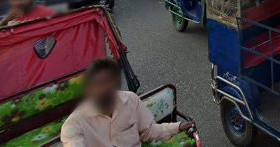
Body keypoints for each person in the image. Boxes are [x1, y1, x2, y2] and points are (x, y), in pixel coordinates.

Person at [61, 58, 192, 146]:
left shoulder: (131, 100)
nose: (105, 88)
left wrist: (177, 127)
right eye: (99, 84)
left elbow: (148, 131)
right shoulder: (73, 126)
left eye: (110, 82)